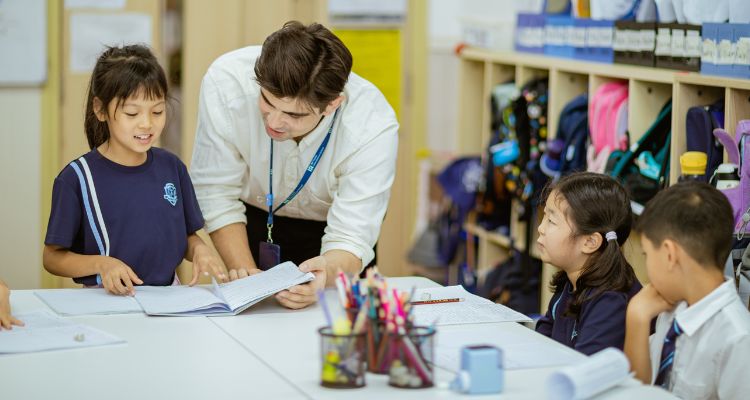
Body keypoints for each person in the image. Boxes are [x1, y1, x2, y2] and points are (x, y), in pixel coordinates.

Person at [190, 21, 398, 309]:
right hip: (251, 222)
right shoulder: (227, 81)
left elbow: (351, 237)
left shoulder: (371, 125)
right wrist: (250, 281)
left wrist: (324, 276)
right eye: (267, 101)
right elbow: (215, 191)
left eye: (293, 114)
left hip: (332, 239)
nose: (274, 122)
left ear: (332, 105)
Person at [43, 45, 225, 296]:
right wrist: (102, 264)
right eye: (132, 112)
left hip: (168, 299)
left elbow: (186, 236)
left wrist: (199, 249)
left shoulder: (172, 168)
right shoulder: (76, 178)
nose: (147, 123)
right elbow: (52, 258)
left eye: (157, 111)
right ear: (100, 109)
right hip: (105, 300)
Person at [625, 181, 750, 398]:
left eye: (647, 255)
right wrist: (636, 317)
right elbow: (637, 390)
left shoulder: (738, 340)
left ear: (669, 255)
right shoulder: (674, 304)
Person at [535, 172, 641, 355]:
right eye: (545, 216)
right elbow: (542, 340)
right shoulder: (572, 279)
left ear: (590, 242)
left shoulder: (610, 301)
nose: (540, 228)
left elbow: (585, 369)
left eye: (551, 221)